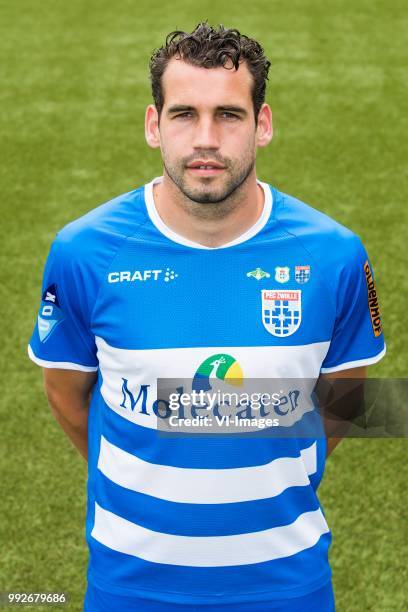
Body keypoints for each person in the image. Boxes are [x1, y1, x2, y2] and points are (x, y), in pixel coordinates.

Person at [27, 22, 386, 612]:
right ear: (154, 125)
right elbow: (68, 395)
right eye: (184, 114)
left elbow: (345, 401)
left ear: (262, 125)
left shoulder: (333, 255)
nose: (206, 139)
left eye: (229, 115)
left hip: (286, 584)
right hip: (129, 586)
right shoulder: (85, 252)